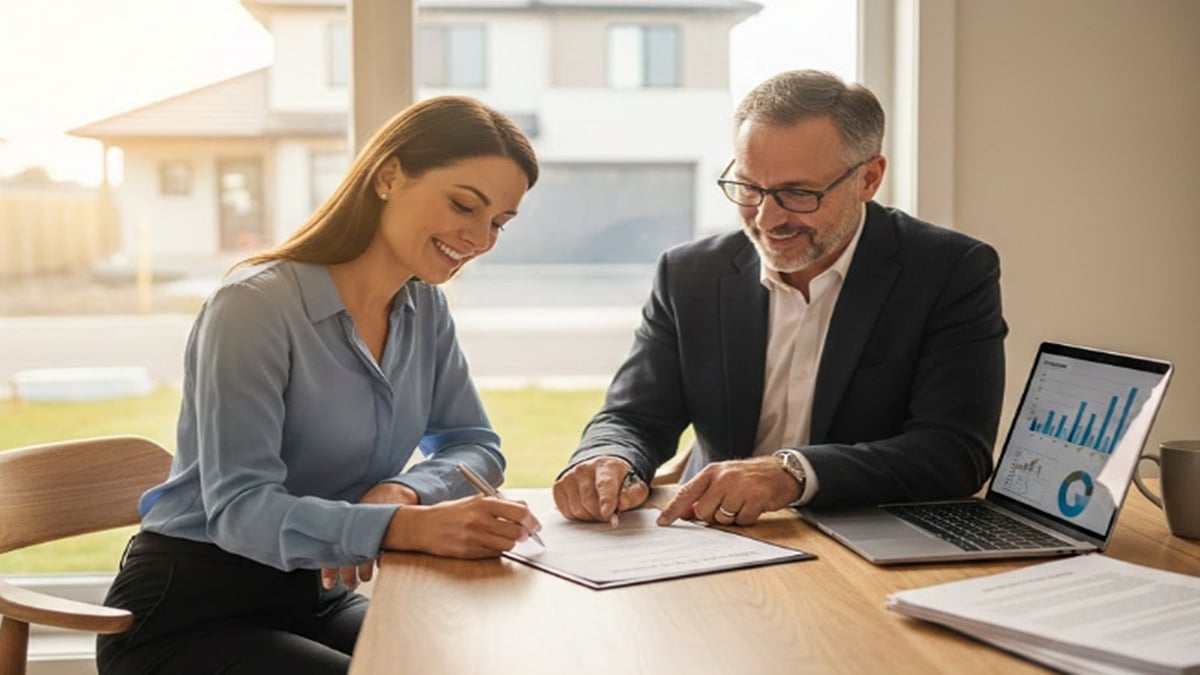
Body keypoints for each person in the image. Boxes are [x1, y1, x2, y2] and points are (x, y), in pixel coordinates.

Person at [97, 96, 542, 675]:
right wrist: (401, 530)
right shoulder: (254, 306)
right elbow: (240, 509)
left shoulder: (423, 308)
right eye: (464, 205)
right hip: (189, 613)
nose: (480, 240)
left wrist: (401, 493)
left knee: (481, 662)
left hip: (313, 599)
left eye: (498, 224)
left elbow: (473, 443)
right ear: (389, 175)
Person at [553, 69, 1007, 528]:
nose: (767, 219)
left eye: (797, 193)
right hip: (711, 535)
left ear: (869, 179)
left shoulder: (951, 270)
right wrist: (607, 459)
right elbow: (635, 417)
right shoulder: (689, 274)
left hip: (865, 536)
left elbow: (955, 453)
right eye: (749, 188)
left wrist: (794, 474)